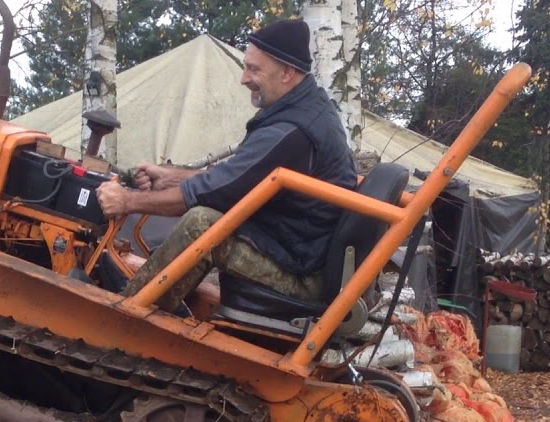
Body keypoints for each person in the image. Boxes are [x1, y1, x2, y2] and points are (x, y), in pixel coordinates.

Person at [95, 19, 357, 313]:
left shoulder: (292, 131)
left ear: (287, 73)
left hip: (301, 275)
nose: (244, 79)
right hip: (293, 248)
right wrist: (172, 178)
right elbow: (239, 177)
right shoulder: (303, 110)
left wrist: (128, 201)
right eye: (246, 66)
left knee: (202, 224)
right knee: (206, 215)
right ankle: (144, 297)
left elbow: (219, 190)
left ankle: (128, 319)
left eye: (254, 69)